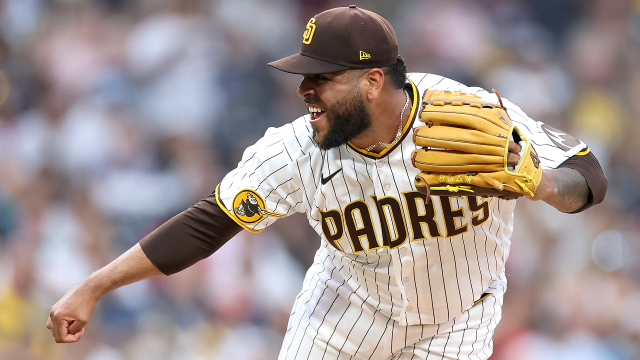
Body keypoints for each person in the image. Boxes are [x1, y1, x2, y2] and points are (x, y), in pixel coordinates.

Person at [47, 6, 607, 359]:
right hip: (340, 317)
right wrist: (95, 284)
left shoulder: (472, 114)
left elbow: (589, 176)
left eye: (321, 77)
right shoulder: (298, 149)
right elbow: (209, 223)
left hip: (455, 322)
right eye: (302, 75)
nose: (304, 90)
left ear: (371, 81)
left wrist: (542, 185)